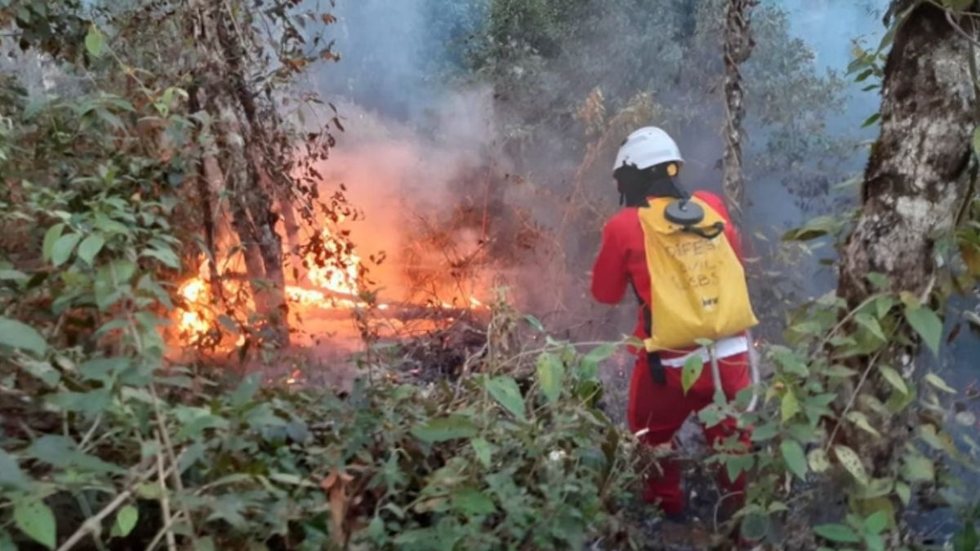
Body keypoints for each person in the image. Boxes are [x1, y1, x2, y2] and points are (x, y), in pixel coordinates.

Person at [590, 126, 753, 521]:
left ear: (631, 177)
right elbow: (734, 259)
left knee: (652, 440)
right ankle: (741, 527)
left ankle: (666, 515)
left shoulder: (624, 225)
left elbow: (605, 294)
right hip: (732, 359)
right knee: (734, 450)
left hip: (669, 367)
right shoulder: (711, 204)